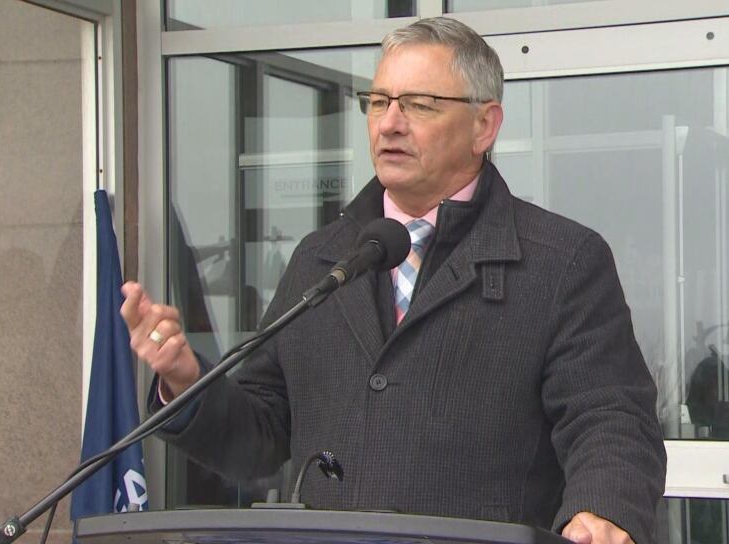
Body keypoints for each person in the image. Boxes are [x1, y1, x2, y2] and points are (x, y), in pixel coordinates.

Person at [121, 17, 666, 544]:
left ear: (485, 125)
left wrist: (602, 508)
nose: (389, 123)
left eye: (420, 104)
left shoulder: (561, 261)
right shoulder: (322, 257)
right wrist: (186, 381)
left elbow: (610, 416)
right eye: (379, 102)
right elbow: (260, 436)